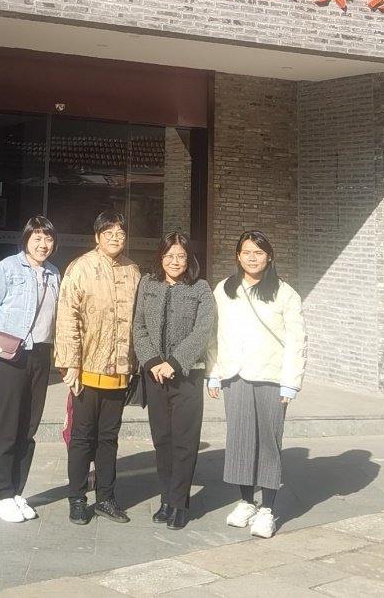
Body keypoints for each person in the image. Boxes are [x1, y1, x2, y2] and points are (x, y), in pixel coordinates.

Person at [207, 229, 306, 539]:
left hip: (271, 377)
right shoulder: (224, 290)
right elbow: (214, 334)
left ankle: (268, 510)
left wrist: (290, 382)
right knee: (240, 441)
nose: (252, 258)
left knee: (268, 442)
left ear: (269, 257)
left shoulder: (285, 293)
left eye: (258, 253)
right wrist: (213, 372)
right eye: (247, 252)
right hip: (235, 375)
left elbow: (297, 340)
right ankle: (247, 502)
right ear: (238, 256)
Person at [54, 210, 141, 525]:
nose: (115, 239)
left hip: (119, 372)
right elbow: (67, 317)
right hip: (87, 369)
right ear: (97, 236)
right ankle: (77, 499)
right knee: (82, 437)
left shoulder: (133, 271)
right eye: (109, 233)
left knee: (109, 438)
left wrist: (136, 364)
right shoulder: (80, 268)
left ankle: (106, 498)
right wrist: (70, 363)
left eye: (120, 234)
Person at [0, 215, 61, 524]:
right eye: (37, 238)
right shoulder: (8, 268)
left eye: (48, 239)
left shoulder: (54, 273)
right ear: (26, 239)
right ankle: (1, 494)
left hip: (40, 355)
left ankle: (16, 491)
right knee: (7, 427)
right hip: (10, 357)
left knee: (29, 427)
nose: (43, 244)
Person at [132, 231, 216, 530]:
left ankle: (179, 503)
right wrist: (153, 361)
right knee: (163, 440)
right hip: (155, 375)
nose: (175, 261)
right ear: (160, 257)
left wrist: (175, 362)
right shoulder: (147, 284)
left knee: (184, 442)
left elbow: (203, 330)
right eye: (169, 256)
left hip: (187, 377)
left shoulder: (201, 289)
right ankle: (166, 499)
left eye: (181, 256)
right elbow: (138, 326)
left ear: (189, 258)